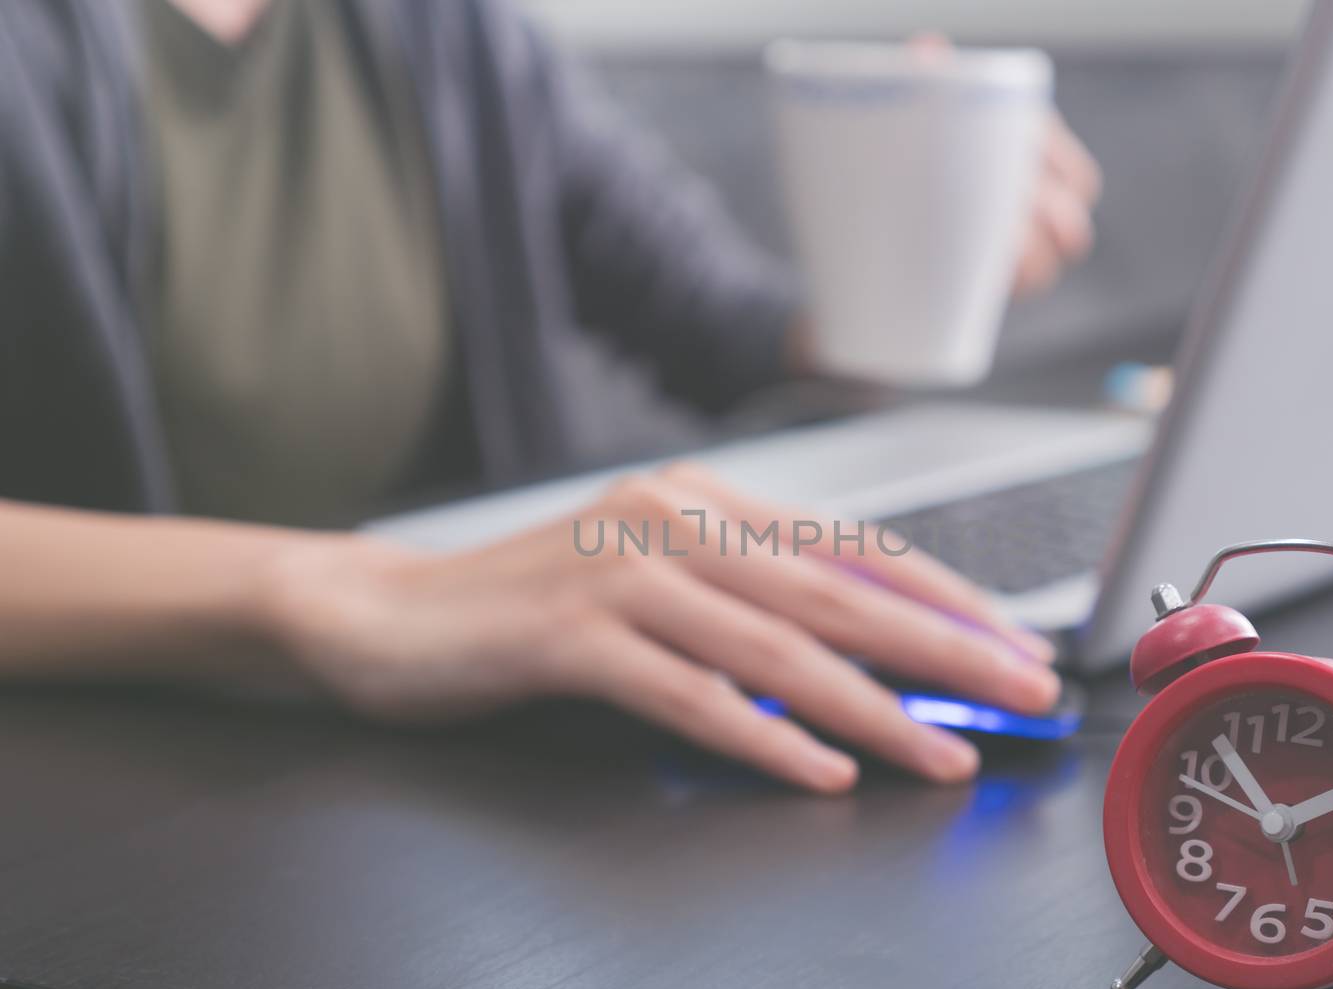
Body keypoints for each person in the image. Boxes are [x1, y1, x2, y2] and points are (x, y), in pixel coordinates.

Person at [0, 0, 1103, 793]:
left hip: (426, 781)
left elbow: (727, 328)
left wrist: (917, 263)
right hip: (122, 784)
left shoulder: (457, 33)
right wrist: (350, 594)